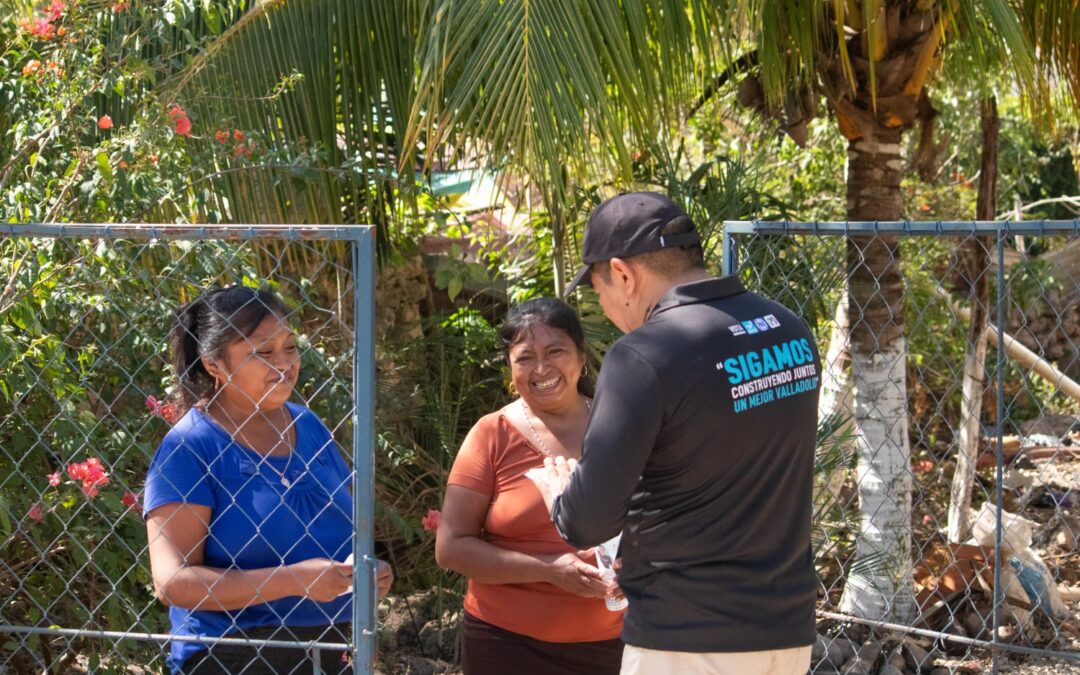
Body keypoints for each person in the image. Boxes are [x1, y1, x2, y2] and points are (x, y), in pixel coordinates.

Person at [528, 192, 821, 675]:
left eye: (597, 291)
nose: (602, 307)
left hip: (688, 637)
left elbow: (588, 521)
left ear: (623, 274)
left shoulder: (644, 354)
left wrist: (564, 495)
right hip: (786, 631)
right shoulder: (789, 330)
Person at [144, 285, 393, 674]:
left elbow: (343, 530)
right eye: (263, 352)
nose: (285, 363)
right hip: (233, 654)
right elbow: (172, 582)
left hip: (334, 646)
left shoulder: (309, 426)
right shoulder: (192, 447)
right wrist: (293, 581)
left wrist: (365, 573)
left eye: (290, 347)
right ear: (214, 364)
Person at [435, 298, 625, 675]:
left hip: (616, 642)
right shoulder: (491, 435)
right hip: (506, 644)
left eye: (556, 351)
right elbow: (450, 548)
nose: (541, 369)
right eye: (525, 357)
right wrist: (548, 569)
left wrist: (638, 566)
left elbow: (667, 516)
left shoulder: (622, 426)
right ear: (509, 366)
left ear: (581, 356)